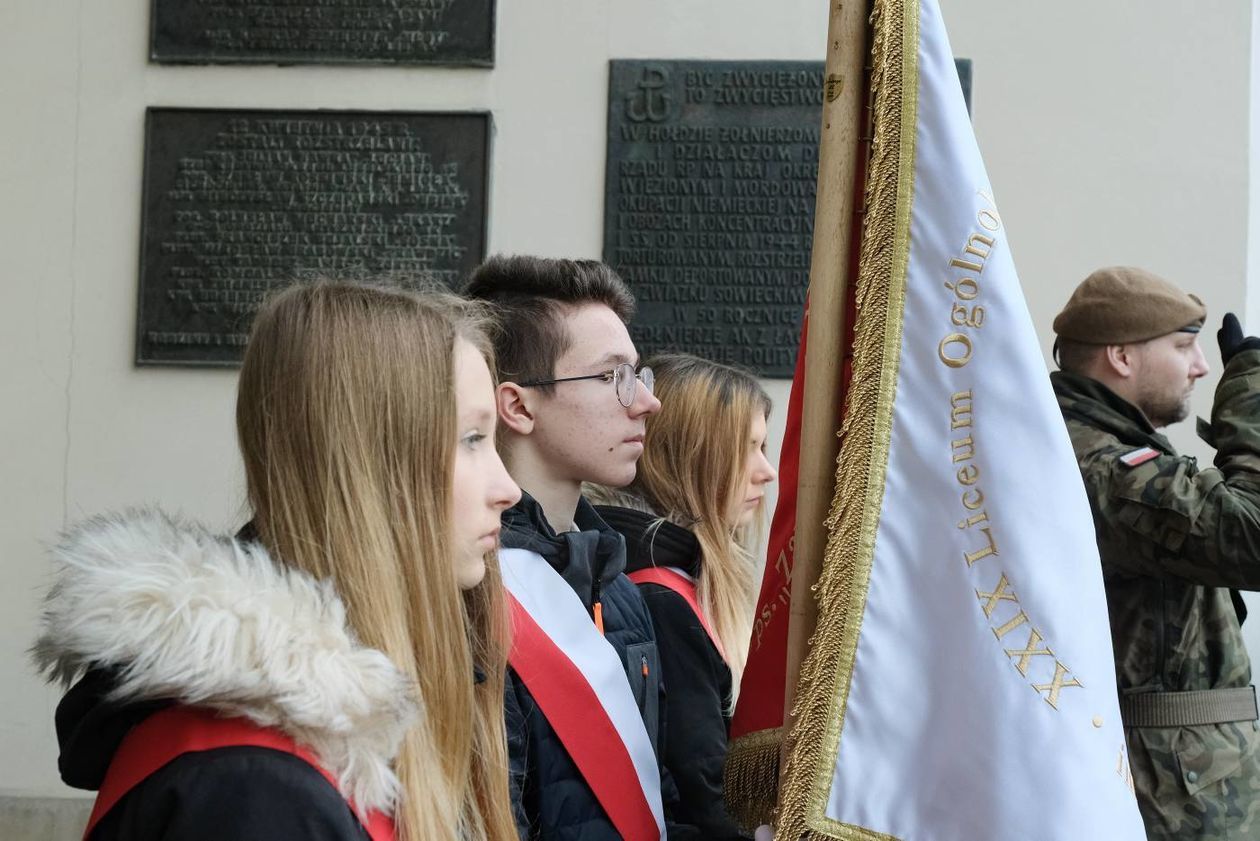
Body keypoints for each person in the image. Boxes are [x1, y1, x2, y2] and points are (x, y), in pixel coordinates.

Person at [32, 280, 522, 841]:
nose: (507, 488)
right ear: (368, 467)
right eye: (471, 439)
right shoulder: (253, 789)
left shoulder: (327, 742)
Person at [464, 255, 684, 841]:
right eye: (613, 376)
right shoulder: (470, 593)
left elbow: (656, 802)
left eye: (638, 374)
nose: (645, 401)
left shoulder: (618, 583)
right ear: (518, 405)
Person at [1050, 265, 1260, 840]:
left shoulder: (1109, 449)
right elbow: (1252, 536)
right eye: (1184, 346)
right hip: (1170, 794)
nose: (1201, 365)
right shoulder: (1104, 467)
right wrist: (1251, 399)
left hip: (1184, 781)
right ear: (1121, 357)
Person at [588, 353, 777, 840]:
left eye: (765, 447)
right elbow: (706, 799)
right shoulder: (662, 598)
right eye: (748, 448)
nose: (766, 472)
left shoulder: (683, 579)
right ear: (692, 455)